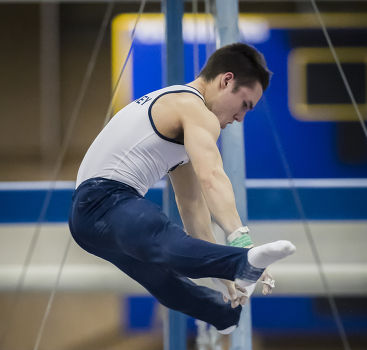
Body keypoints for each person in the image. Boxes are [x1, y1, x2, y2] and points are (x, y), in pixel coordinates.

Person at [69, 42, 295, 334]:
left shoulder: (182, 124)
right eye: (244, 105)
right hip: (104, 201)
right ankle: (242, 264)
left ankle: (223, 313)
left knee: (165, 280)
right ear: (226, 80)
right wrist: (240, 243)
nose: (240, 118)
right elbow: (212, 176)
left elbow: (192, 206)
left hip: (90, 224)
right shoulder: (192, 107)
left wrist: (223, 280)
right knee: (161, 236)